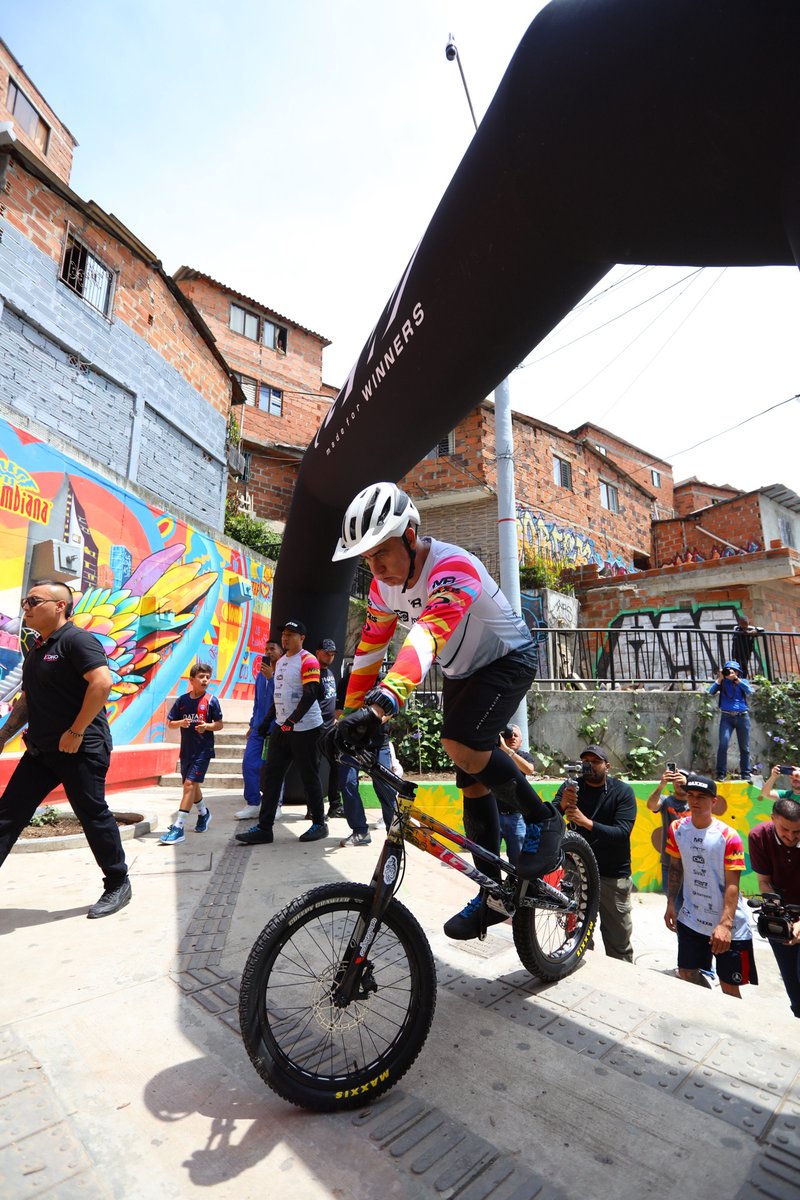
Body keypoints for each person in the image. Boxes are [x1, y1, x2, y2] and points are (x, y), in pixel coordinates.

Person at [331, 482, 564, 941]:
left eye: (382, 553)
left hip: (508, 658)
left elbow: (426, 635)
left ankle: (544, 819)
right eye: (366, 559)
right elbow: (370, 649)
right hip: (461, 671)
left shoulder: (453, 566)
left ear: (411, 536)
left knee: (458, 742)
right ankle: (493, 892)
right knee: (471, 775)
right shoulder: (383, 587)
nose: (375, 568)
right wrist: (347, 716)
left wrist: (380, 708)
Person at [0, 580, 130, 918]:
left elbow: (102, 683)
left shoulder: (76, 640)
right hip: (41, 751)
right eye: (25, 601)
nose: (25, 607)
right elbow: (27, 701)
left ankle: (118, 883)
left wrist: (76, 731)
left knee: (93, 815)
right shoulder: (39, 650)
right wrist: (2, 738)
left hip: (80, 747)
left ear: (60, 606)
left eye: (34, 600)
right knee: (7, 816)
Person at [664, 773, 757, 999]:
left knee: (729, 987)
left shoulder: (728, 836)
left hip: (729, 926)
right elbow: (675, 869)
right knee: (686, 973)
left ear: (713, 801)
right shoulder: (677, 828)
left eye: (702, 797)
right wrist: (670, 904)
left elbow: (733, 884)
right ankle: (707, 1009)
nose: (695, 801)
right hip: (692, 917)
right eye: (691, 795)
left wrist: (724, 925)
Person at [236, 620, 327, 845]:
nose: (285, 638)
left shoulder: (309, 660)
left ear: (302, 638)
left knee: (309, 777)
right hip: (282, 727)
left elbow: (311, 693)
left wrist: (292, 721)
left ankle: (319, 824)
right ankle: (265, 828)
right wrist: (267, 722)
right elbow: (279, 697)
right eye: (284, 634)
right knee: (272, 775)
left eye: (291, 635)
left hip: (306, 729)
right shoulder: (282, 662)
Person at [554, 746, 637, 962]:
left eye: (595, 761)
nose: (588, 765)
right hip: (576, 872)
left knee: (618, 940)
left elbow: (622, 832)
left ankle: (621, 981)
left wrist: (585, 822)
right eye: (585, 761)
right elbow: (550, 817)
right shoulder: (571, 787)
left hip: (611, 875)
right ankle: (576, 968)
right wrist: (562, 804)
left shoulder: (623, 792)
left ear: (607, 766)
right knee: (575, 936)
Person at [160, 662, 223, 845]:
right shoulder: (182, 701)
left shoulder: (211, 700)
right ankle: (204, 814)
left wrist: (208, 726)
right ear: (192, 680)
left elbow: (219, 724)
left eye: (207, 677)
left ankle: (178, 827)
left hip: (203, 751)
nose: (205, 680)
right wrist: (181, 723)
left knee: (189, 784)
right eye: (201, 677)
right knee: (191, 786)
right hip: (186, 751)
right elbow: (170, 723)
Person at [748, 796, 800, 1018]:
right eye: (785, 830)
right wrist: (776, 909)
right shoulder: (758, 836)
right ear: (772, 819)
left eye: (797, 832)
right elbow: (764, 880)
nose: (790, 836)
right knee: (794, 987)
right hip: (782, 919)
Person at [235, 640, 280, 822]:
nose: (269, 652)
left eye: (273, 649)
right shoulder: (260, 675)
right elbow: (257, 703)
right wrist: (252, 724)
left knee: (275, 768)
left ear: (280, 651)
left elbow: (282, 698)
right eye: (267, 649)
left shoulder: (281, 674)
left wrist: (272, 677)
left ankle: (276, 804)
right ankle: (253, 803)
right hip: (258, 729)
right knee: (248, 764)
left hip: (276, 729)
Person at [646, 767, 690, 893]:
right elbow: (651, 805)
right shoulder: (666, 801)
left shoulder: (695, 802)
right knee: (673, 902)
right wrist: (661, 785)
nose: (678, 782)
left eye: (681, 778)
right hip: (669, 862)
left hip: (691, 862)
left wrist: (687, 786)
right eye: (675, 779)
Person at [709, 659, 753, 782]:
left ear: (738, 672)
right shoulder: (722, 683)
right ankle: (721, 773)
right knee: (723, 744)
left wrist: (736, 680)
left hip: (742, 717)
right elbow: (711, 692)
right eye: (729, 670)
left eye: (734, 671)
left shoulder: (742, 681)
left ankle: (746, 773)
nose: (731, 673)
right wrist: (720, 678)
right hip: (726, 717)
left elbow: (749, 691)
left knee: (744, 747)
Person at [497, 724, 535, 865]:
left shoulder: (524, 756)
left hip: (516, 816)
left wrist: (508, 751)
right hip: (495, 814)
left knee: (518, 860)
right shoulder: (495, 755)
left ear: (521, 741)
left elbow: (529, 769)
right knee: (490, 857)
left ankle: (516, 885)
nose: (512, 737)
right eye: (508, 735)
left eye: (515, 735)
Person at [316, 638, 344, 819]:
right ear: (318, 652)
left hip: (330, 728)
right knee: (314, 768)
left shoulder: (329, 672)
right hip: (316, 728)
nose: (330, 657)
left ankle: (335, 805)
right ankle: (314, 808)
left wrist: (336, 719)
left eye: (333, 654)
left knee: (337, 765)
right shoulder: (313, 672)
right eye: (327, 653)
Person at [730, 613, 762, 679]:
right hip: (737, 652)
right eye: (742, 624)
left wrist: (749, 633)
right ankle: (738, 679)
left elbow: (761, 630)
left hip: (746, 652)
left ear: (748, 623)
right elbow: (735, 631)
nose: (744, 626)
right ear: (739, 623)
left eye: (745, 624)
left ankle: (742, 679)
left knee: (744, 667)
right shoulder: (737, 628)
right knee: (737, 667)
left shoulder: (751, 629)